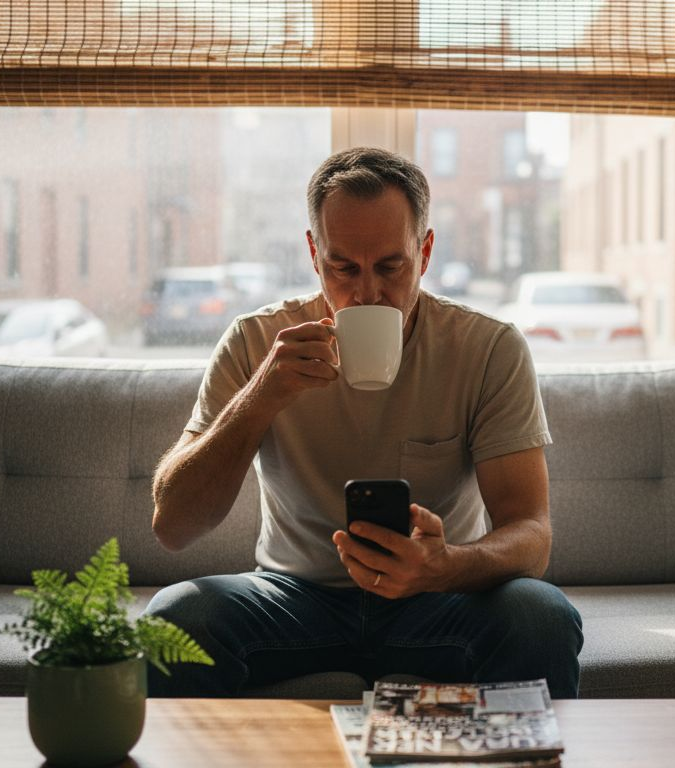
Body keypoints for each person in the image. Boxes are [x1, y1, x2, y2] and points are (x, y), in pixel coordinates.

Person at [143, 147, 583, 699]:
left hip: (440, 599)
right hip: (295, 595)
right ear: (313, 254)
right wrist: (260, 397)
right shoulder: (257, 341)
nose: (367, 292)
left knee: (539, 614)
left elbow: (531, 536)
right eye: (343, 267)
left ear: (424, 253)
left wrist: (443, 567)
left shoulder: (488, 348)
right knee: (177, 617)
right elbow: (174, 525)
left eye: (390, 266)